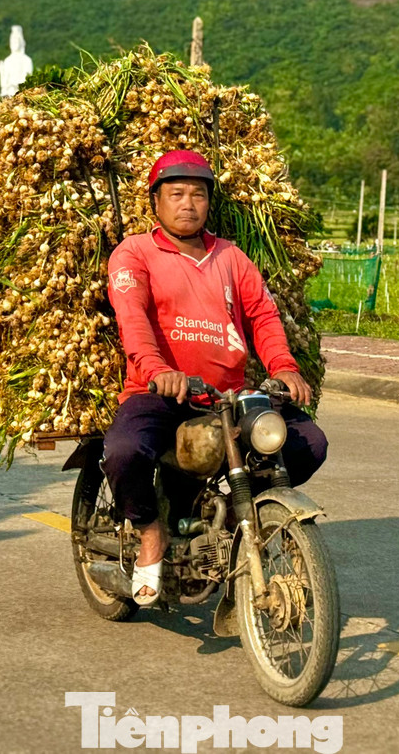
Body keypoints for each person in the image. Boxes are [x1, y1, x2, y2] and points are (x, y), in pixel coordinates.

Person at [102, 149, 327, 605]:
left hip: (227, 395)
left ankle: (242, 526)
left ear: (209, 203)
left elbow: (263, 315)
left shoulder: (231, 257)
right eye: (177, 194)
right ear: (156, 202)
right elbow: (132, 318)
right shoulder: (135, 253)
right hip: (161, 393)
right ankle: (149, 534)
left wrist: (284, 366)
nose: (188, 204)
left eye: (198, 195)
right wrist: (158, 370)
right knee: (124, 452)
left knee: (308, 444)